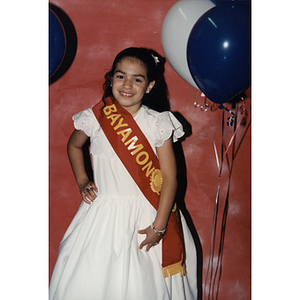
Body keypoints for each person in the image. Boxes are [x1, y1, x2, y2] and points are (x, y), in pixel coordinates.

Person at [49, 47, 198, 300]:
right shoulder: (96, 117)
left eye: (137, 79)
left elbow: (170, 179)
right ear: (111, 79)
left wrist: (159, 228)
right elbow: (74, 145)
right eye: (121, 76)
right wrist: (83, 180)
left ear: (149, 86)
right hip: (103, 215)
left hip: (149, 215)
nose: (127, 84)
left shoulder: (158, 122)